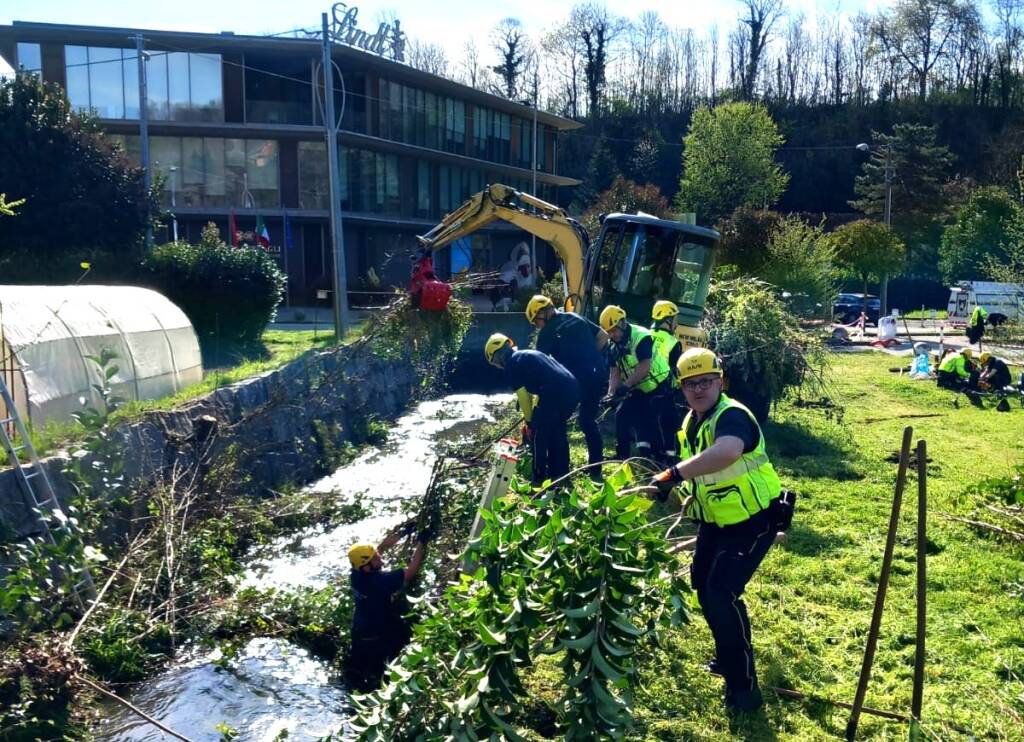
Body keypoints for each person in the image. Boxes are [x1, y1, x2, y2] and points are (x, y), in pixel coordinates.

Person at [649, 347, 785, 714]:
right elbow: (705, 476)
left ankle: (744, 689)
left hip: (754, 521)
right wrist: (670, 490)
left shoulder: (732, 416)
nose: (699, 389)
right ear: (681, 388)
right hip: (716, 521)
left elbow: (726, 453)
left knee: (722, 593)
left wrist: (674, 473)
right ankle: (727, 658)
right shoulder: (692, 423)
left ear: (721, 381)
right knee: (703, 588)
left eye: (706, 381)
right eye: (690, 384)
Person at [526, 295, 609, 477]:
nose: (537, 326)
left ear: (542, 313)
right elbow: (603, 335)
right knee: (588, 421)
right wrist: (590, 355)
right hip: (597, 373)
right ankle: (596, 469)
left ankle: (560, 470)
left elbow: (539, 365)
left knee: (557, 420)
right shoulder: (575, 317)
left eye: (536, 321)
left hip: (575, 380)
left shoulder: (547, 331)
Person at [485, 333, 580, 485]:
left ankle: (538, 479)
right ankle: (561, 476)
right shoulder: (525, 355)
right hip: (571, 388)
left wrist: (530, 424)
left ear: (496, 357)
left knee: (539, 436)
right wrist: (533, 414)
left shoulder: (511, 365)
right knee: (557, 432)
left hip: (554, 393)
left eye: (494, 363)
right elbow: (530, 394)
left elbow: (523, 397)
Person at [345, 520, 430, 691]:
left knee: (357, 669)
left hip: (359, 632)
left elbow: (381, 547)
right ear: (367, 567)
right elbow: (411, 571)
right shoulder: (380, 582)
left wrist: (404, 531)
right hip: (376, 637)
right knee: (377, 673)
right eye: (375, 558)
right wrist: (422, 542)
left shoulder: (356, 573)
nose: (380, 556)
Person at [598, 305, 672, 463]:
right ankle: (622, 454)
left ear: (622, 324)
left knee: (653, 420)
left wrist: (626, 386)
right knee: (621, 414)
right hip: (638, 386)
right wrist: (611, 394)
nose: (611, 335)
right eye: (608, 332)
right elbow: (614, 372)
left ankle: (661, 458)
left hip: (658, 384)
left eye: (613, 330)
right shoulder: (613, 346)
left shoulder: (641, 336)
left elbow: (645, 366)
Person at [650, 300, 685, 460]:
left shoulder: (646, 335)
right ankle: (669, 456)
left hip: (645, 385)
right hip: (664, 388)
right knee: (669, 422)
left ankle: (652, 453)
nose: (677, 322)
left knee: (650, 421)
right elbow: (676, 369)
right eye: (675, 318)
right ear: (668, 319)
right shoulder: (673, 342)